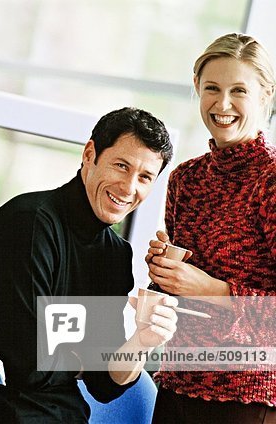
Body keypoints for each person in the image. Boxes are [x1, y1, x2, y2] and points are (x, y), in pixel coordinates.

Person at [0, 107, 179, 423]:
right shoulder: (28, 224)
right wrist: (86, 356)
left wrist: (142, 339)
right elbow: (29, 366)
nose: (129, 188)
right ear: (90, 154)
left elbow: (105, 384)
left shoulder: (115, 255)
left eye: (144, 177)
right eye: (121, 166)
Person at [147, 33, 276, 423]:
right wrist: (164, 273)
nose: (222, 104)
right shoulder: (185, 179)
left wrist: (211, 290)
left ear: (265, 97)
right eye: (212, 88)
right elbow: (179, 296)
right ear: (196, 89)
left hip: (247, 399)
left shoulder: (271, 182)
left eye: (239, 90)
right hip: (174, 385)